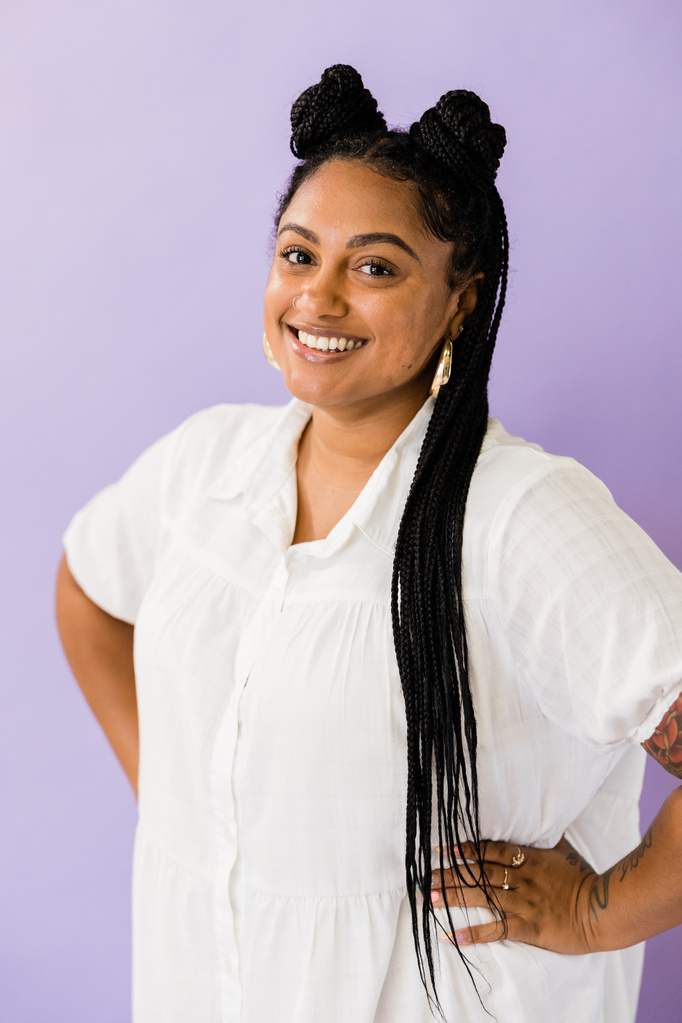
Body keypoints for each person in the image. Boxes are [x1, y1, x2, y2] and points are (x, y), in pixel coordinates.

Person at [55, 65, 682, 1023]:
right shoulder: (205, 463)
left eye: (376, 266)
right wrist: (177, 795)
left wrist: (597, 911)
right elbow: (88, 587)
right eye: (299, 254)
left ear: (461, 304)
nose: (321, 296)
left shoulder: (521, 515)